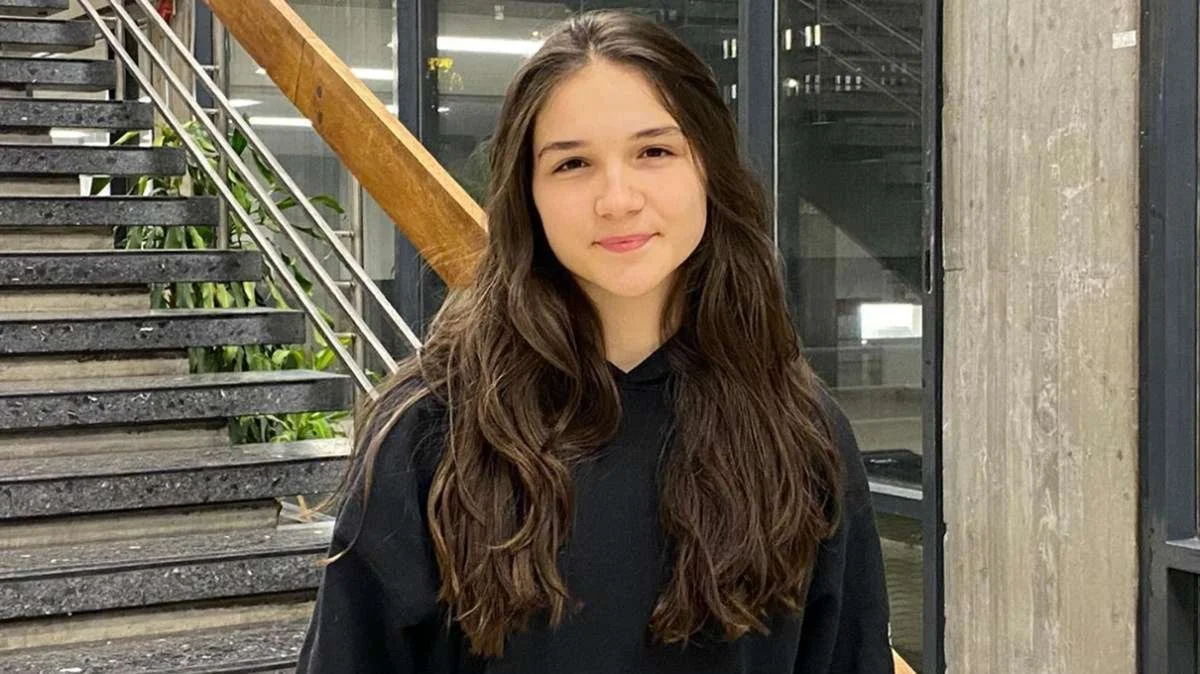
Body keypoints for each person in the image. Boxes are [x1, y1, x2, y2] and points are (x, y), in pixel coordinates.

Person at [296, 9, 892, 673]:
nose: (617, 199)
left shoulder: (800, 431)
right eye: (573, 163)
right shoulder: (432, 429)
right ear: (527, 193)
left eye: (654, 152)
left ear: (709, 169)